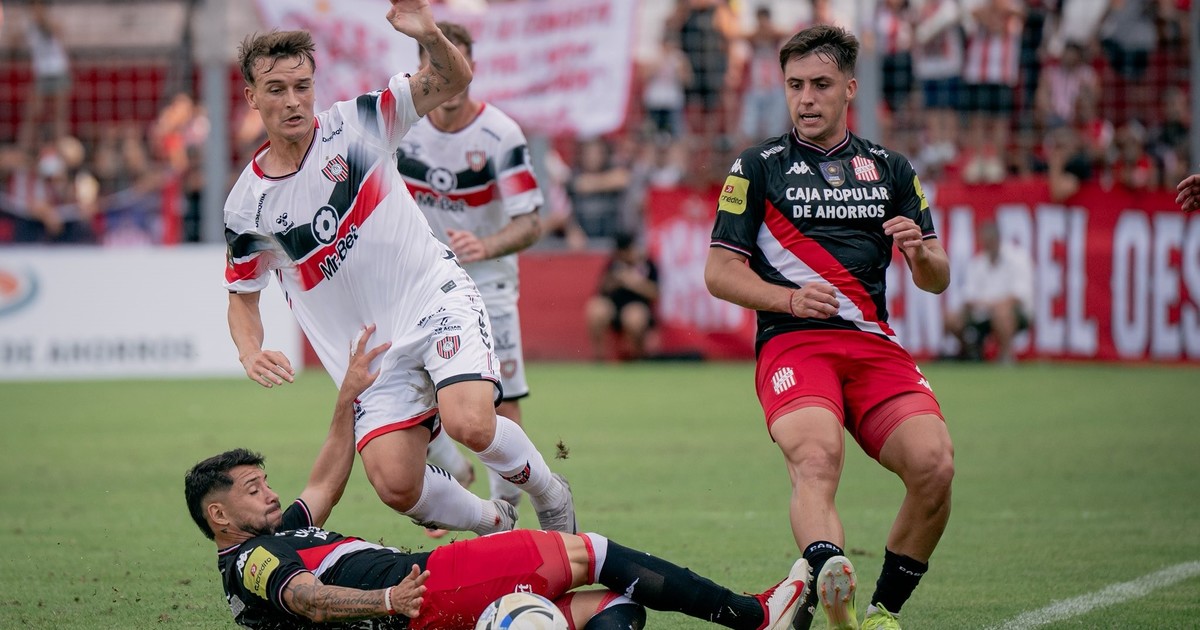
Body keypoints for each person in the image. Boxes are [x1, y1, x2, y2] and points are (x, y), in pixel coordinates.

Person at [184, 326, 811, 630]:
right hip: (428, 588)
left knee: (613, 609)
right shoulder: (251, 560)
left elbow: (323, 482)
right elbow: (307, 600)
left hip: (425, 606)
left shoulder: (279, 533)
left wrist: (348, 398)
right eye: (253, 489)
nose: (270, 493)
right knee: (592, 553)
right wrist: (386, 600)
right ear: (219, 516)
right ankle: (754, 615)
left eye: (265, 481)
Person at [222, 1, 574, 540]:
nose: (292, 101)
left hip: (432, 298)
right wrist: (250, 350)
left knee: (470, 423)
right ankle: (494, 522)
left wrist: (429, 33)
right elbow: (242, 296)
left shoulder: (360, 123)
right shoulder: (247, 206)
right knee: (395, 484)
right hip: (371, 355)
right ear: (251, 96)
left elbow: (453, 79)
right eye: (276, 89)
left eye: (301, 86)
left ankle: (550, 493)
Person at [704, 25, 954, 630]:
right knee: (816, 458)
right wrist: (788, 300)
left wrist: (919, 253)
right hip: (794, 344)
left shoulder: (892, 169)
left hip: (871, 344)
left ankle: (882, 613)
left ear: (849, 88)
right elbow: (718, 273)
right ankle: (829, 574)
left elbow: (938, 278)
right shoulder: (756, 167)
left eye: (819, 84)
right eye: (795, 85)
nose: (806, 98)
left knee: (934, 466)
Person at [395, 21, 544, 518]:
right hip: (420, 283)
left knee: (502, 401)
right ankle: (454, 474)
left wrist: (485, 245)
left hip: (488, 282)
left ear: (471, 68)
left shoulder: (500, 134)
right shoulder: (402, 127)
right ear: (419, 71)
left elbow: (530, 222)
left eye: (454, 62)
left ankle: (506, 513)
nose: (446, 74)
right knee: (403, 393)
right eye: (434, 63)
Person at [944, 220, 1034, 364]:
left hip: (1013, 313)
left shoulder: (1018, 258)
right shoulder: (978, 262)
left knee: (1002, 313)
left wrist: (992, 305)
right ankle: (971, 352)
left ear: (998, 239)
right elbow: (968, 295)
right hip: (982, 312)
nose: (987, 245)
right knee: (951, 318)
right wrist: (977, 306)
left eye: (990, 241)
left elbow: (1019, 295)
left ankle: (1005, 356)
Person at [585, 232, 660, 361]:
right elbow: (601, 289)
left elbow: (655, 293)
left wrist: (632, 281)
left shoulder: (647, 264)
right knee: (596, 309)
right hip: (614, 307)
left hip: (638, 307)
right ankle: (599, 357)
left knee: (634, 317)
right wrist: (615, 280)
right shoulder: (614, 264)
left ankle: (637, 357)